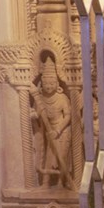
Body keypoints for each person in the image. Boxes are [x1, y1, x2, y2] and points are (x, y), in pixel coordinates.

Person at [29, 54, 72, 188]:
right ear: (41, 83)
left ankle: (61, 182)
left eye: (52, 83)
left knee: (61, 157)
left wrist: (58, 130)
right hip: (49, 132)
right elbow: (38, 114)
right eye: (46, 83)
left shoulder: (62, 98)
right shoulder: (40, 98)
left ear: (57, 84)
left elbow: (68, 116)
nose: (49, 86)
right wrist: (33, 114)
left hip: (62, 131)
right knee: (49, 157)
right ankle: (45, 182)